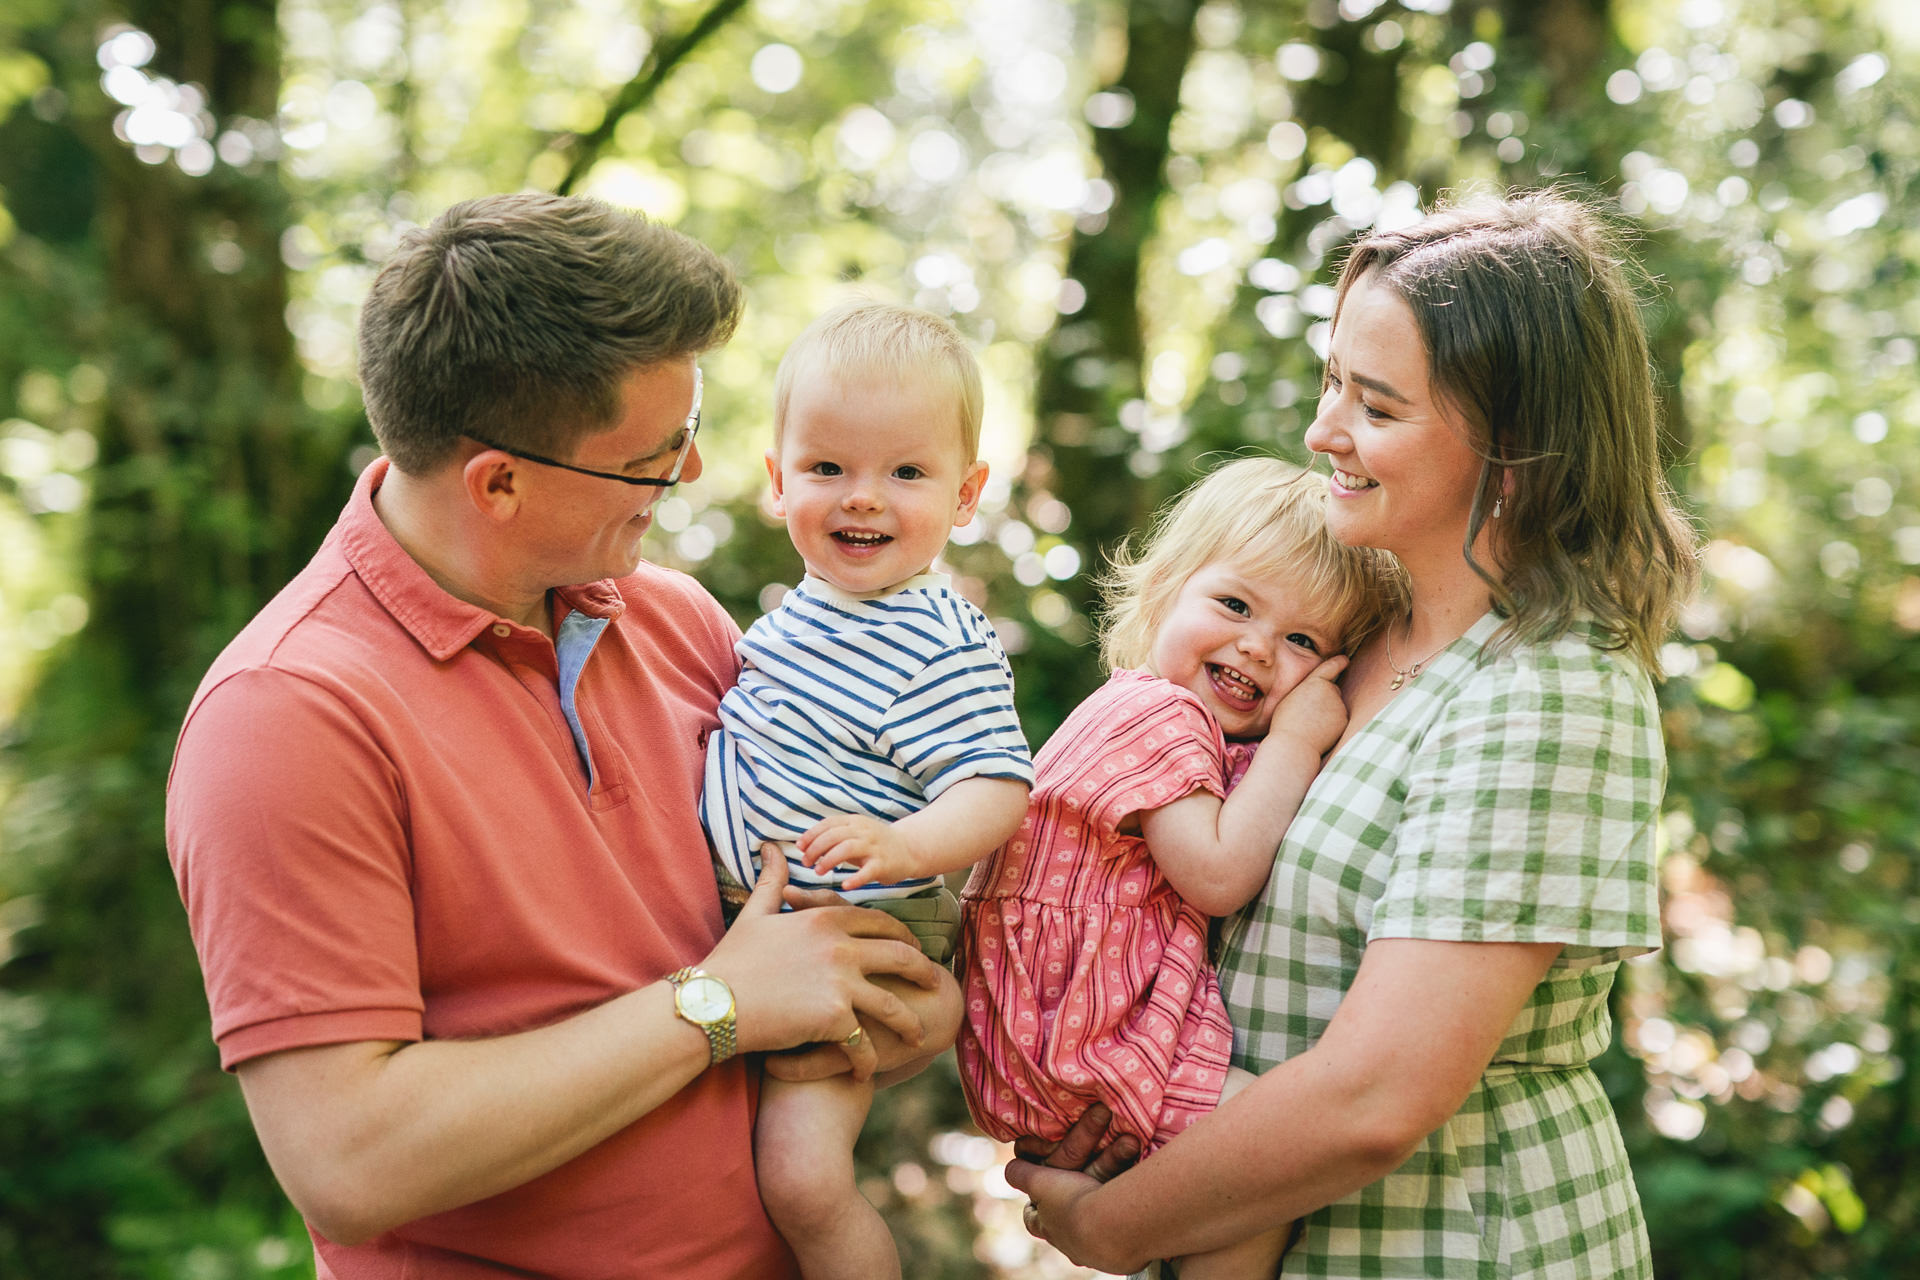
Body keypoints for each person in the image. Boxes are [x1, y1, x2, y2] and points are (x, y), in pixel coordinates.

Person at [164, 193, 949, 1279]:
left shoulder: (677, 618)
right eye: (652, 455)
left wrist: (894, 1003)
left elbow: (789, 962)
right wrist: (715, 1006)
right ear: (499, 481)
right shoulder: (285, 715)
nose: (690, 476)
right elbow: (349, 1156)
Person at [1006, 189, 1699, 1279]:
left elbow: (1378, 1095)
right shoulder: (1340, 638)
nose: (1324, 430)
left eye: (1376, 406)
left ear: (1513, 449)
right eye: (1333, 382)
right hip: (1239, 1221)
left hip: (1446, 1244)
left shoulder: (1552, 690)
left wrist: (1115, 1225)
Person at [956, 457, 1401, 1279]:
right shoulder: (1155, 717)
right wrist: (1300, 739)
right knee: (1252, 1169)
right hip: (1076, 1042)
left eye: (1302, 640)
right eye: (1235, 604)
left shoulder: (1167, 717)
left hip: (1062, 1032)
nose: (1257, 647)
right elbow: (1221, 873)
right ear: (1163, 590)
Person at [700, 300, 1034, 1280]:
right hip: (757, 929)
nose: (864, 498)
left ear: (966, 494)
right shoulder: (793, 616)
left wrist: (907, 845)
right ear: (777, 481)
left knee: (802, 1177)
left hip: (856, 936)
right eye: (829, 468)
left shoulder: (940, 639)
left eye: (907, 472)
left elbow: (996, 784)